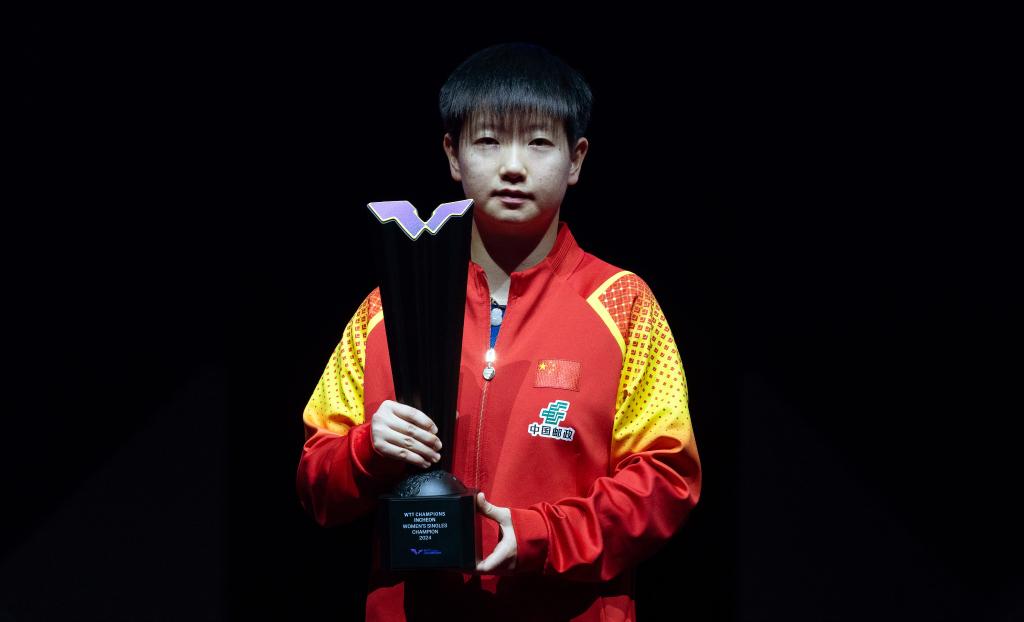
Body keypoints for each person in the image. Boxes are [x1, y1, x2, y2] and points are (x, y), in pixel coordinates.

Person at [296, 42, 701, 621]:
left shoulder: (624, 304)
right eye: (488, 140)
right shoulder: (385, 310)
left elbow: (666, 479)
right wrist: (367, 450)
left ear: (576, 159)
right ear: (453, 154)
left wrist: (543, 535)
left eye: (538, 142)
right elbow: (315, 481)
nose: (513, 165)